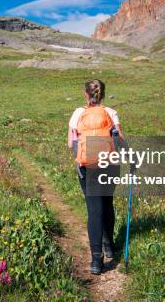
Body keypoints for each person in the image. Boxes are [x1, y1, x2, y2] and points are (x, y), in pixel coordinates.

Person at [68, 79, 123, 275]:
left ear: (85, 95)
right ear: (103, 95)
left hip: (88, 166)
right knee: (107, 204)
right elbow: (119, 140)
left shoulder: (78, 114)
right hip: (110, 165)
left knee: (94, 210)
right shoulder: (111, 113)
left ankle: (96, 261)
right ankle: (109, 245)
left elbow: (71, 143)